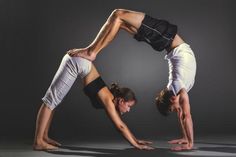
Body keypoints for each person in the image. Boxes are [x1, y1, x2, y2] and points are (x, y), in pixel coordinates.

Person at [68, 9, 196, 151]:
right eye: (175, 108)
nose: (179, 109)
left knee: (118, 15)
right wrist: (189, 142)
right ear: (172, 100)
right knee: (119, 19)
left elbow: (182, 114)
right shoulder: (179, 88)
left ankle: (92, 51)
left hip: (166, 41)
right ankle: (91, 52)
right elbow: (185, 116)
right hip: (166, 37)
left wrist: (186, 138)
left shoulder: (178, 89)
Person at [33, 54, 154, 150]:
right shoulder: (109, 100)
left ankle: (44, 137)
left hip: (77, 61)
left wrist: (136, 140)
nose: (128, 110)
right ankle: (38, 142)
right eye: (129, 106)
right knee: (50, 101)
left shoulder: (111, 100)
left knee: (54, 102)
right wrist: (136, 145)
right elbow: (120, 126)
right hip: (75, 63)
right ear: (121, 100)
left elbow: (121, 124)